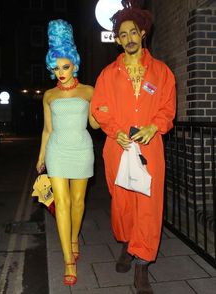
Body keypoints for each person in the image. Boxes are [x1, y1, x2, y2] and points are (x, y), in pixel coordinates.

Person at [91, 1, 176, 293]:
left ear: (142, 34)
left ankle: (142, 264)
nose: (128, 38)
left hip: (149, 149)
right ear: (117, 39)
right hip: (118, 148)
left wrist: (156, 126)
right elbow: (100, 109)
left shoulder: (162, 72)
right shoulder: (107, 74)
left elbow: (167, 108)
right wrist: (115, 131)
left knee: (148, 207)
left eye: (133, 32)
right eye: (122, 34)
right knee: (123, 204)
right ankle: (128, 244)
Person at [36, 19, 100, 286]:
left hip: (82, 149)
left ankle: (74, 238)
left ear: (74, 63)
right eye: (56, 67)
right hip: (57, 151)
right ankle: (68, 260)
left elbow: (95, 124)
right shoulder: (49, 95)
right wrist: (41, 157)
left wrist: (104, 112)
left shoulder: (88, 91)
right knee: (61, 204)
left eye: (65, 66)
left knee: (77, 203)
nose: (60, 72)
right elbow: (47, 130)